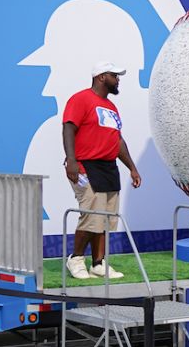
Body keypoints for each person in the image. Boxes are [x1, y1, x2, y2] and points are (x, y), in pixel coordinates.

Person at [60, 61, 144, 281]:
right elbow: (68, 127)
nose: (118, 80)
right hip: (86, 166)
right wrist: (71, 160)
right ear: (101, 77)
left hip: (109, 168)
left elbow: (117, 141)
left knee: (106, 219)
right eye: (114, 75)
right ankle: (76, 258)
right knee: (91, 216)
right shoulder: (81, 99)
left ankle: (98, 263)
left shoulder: (111, 107)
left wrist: (132, 168)